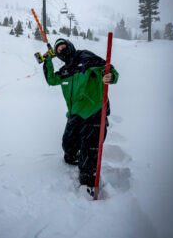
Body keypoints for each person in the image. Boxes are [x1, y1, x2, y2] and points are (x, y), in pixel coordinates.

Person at [43, 38, 119, 187]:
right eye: (58, 50)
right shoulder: (65, 71)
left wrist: (110, 75)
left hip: (94, 112)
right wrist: (47, 60)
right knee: (68, 147)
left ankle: (88, 180)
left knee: (89, 151)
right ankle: (73, 158)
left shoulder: (85, 58)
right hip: (75, 114)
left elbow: (107, 68)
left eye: (63, 47)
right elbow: (51, 79)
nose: (62, 51)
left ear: (70, 46)